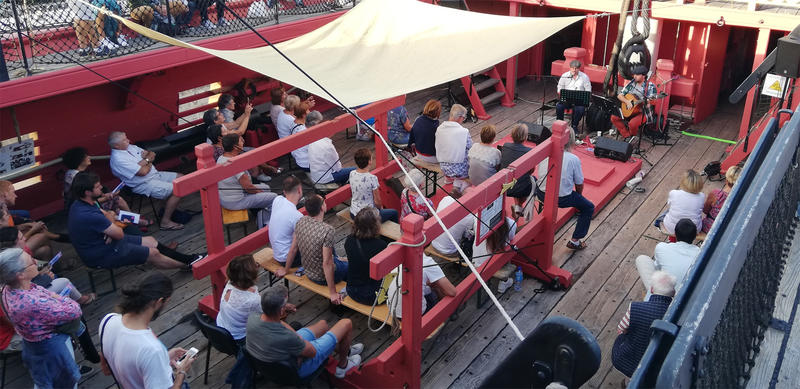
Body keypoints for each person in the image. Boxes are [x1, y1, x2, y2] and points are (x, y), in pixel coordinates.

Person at [0, 248, 100, 389]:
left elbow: (39, 291)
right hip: (50, 347)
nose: (36, 263)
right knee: (65, 382)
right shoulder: (30, 303)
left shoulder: (8, 290)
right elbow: (75, 311)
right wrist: (59, 297)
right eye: (31, 263)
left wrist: (54, 298)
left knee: (44, 380)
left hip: (33, 345)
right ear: (20, 275)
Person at [68, 171, 202, 270]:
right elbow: (118, 233)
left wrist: (109, 225)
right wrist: (111, 223)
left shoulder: (82, 203)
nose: (101, 188)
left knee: (151, 241)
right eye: (97, 187)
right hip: (101, 253)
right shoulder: (87, 214)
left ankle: (190, 259)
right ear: (87, 192)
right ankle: (189, 266)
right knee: (153, 253)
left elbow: (107, 215)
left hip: (105, 241)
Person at [99, 272, 196, 389]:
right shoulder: (152, 350)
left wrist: (164, 358)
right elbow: (147, 355)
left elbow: (106, 370)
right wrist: (182, 372)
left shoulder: (108, 320)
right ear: (159, 301)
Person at [246, 285, 362, 379]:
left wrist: (296, 338)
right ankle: (343, 366)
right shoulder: (287, 337)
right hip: (295, 370)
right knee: (346, 323)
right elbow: (311, 352)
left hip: (272, 361)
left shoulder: (253, 318)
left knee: (323, 325)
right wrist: (298, 343)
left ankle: (346, 350)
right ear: (281, 310)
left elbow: (280, 324)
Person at [108, 131, 185, 230]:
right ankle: (165, 222)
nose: (128, 140)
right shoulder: (118, 159)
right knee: (177, 190)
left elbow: (152, 153)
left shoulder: (131, 147)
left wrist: (146, 160)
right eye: (124, 140)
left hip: (155, 175)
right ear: (116, 146)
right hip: (143, 184)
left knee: (182, 178)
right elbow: (143, 171)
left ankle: (164, 209)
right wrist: (148, 160)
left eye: (126, 138)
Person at [0, 226, 96, 305]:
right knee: (64, 282)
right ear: (13, 244)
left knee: (45, 253)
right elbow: (27, 285)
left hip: (31, 288)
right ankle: (79, 300)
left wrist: (45, 266)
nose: (25, 238)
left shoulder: (17, 254)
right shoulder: (15, 262)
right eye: (21, 238)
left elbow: (35, 263)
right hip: (31, 295)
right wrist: (44, 276)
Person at [281, 195, 348, 304]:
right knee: (353, 268)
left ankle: (340, 260)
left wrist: (285, 269)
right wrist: (332, 293)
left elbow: (293, 249)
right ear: (322, 208)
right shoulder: (327, 230)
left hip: (308, 271)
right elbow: (327, 263)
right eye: (324, 202)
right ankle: (340, 305)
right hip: (321, 277)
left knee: (334, 255)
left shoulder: (301, 221)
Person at [536, 128, 595, 250]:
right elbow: (579, 183)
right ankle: (575, 240)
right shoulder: (573, 159)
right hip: (562, 198)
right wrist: (579, 197)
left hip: (541, 193)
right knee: (589, 207)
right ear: (572, 140)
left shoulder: (545, 152)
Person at [612, 271, 676, 377]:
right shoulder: (675, 316)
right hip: (654, 369)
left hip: (625, 361)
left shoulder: (635, 307)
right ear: (673, 293)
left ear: (651, 290)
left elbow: (621, 329)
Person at [635, 218, 699, 296]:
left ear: (675, 234)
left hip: (662, 294)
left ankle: (651, 294)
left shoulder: (662, 247)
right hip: (688, 297)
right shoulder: (700, 253)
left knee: (641, 259)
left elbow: (657, 269)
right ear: (695, 236)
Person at [217, 134, 278, 214]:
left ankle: (260, 211)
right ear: (235, 147)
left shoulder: (221, 158)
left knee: (266, 187)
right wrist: (261, 194)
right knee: (274, 197)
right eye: (240, 141)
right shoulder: (234, 164)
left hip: (226, 198)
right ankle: (268, 219)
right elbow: (249, 188)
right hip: (235, 201)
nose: (243, 142)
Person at [0, 181, 60, 260]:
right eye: (13, 192)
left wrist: (26, 225)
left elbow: (10, 229)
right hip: (7, 255)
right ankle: (59, 237)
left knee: (45, 250)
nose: (16, 196)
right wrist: (33, 230)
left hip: (11, 248)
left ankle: (47, 270)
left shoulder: (3, 208)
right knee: (41, 236)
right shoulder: (1, 212)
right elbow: (11, 242)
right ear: (5, 194)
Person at [62, 146, 132, 213]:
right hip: (85, 208)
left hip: (88, 203)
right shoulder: (76, 178)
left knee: (116, 207)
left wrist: (106, 195)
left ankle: (131, 220)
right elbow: (86, 200)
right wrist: (106, 198)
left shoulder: (74, 174)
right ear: (79, 160)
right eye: (86, 156)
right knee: (118, 200)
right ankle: (134, 220)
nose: (89, 157)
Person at [386, 255, 456, 319]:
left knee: (426, 283)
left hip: (392, 309)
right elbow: (452, 292)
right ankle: (448, 311)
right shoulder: (427, 262)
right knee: (436, 285)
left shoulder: (399, 256)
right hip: (414, 316)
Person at [343, 208, 387, 305]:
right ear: (374, 226)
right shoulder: (381, 245)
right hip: (371, 296)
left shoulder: (349, 240)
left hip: (351, 289)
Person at [217, 254, 261, 341]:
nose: (257, 266)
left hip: (222, 327)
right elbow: (267, 315)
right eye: (255, 265)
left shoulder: (230, 283)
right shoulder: (253, 300)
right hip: (240, 337)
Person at [348, 148, 398, 223]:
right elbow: (377, 201)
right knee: (394, 213)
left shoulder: (352, 173)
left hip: (354, 213)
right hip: (367, 217)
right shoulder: (372, 178)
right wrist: (380, 209)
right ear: (369, 162)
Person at [611, 65, 657, 139]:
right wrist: (627, 101)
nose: (634, 76)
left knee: (632, 124)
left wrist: (648, 102)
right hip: (630, 110)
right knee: (614, 118)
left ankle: (632, 136)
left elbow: (653, 101)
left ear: (644, 76)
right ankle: (627, 135)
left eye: (637, 75)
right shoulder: (632, 83)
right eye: (634, 74)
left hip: (643, 112)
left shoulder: (650, 86)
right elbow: (620, 95)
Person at [268, 176, 303, 266]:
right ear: (299, 190)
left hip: (277, 254)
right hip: (288, 259)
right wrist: (286, 269)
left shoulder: (277, 200)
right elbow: (294, 248)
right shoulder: (297, 216)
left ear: (284, 191)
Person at [435, 104, 472, 189]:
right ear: (460, 117)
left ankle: (453, 183)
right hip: (460, 171)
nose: (463, 120)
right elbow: (471, 149)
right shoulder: (464, 132)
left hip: (444, 167)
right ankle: (461, 188)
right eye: (464, 118)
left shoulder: (439, 128)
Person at [430, 187, 474, 256]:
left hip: (433, 242)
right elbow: (467, 236)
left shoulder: (446, 199)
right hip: (449, 251)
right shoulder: (469, 216)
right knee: (471, 238)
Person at [500, 123, 533, 213]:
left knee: (516, 178)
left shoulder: (506, 145)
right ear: (525, 137)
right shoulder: (529, 151)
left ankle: (518, 206)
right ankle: (519, 204)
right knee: (533, 181)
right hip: (520, 188)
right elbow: (531, 171)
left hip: (505, 186)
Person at [661, 169, 705, 235]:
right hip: (693, 231)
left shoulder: (674, 193)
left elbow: (670, 205)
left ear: (683, 182)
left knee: (667, 213)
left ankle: (672, 240)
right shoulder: (702, 196)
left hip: (672, 228)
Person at [702, 165, 742, 233]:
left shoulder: (716, 194)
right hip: (730, 231)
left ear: (726, 180)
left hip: (711, 228)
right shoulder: (742, 197)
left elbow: (705, 210)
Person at [555, 60, 591, 131]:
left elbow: (588, 90)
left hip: (579, 100)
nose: (574, 70)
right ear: (570, 68)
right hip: (567, 100)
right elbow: (559, 87)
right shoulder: (565, 76)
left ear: (579, 68)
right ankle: (560, 124)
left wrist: (585, 97)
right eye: (572, 68)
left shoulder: (585, 77)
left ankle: (574, 125)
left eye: (576, 68)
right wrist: (560, 93)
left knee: (580, 110)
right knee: (559, 106)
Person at [290, 103, 312, 171]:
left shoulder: (294, 122)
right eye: (308, 110)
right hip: (306, 163)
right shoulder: (303, 130)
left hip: (299, 159)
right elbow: (312, 148)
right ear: (303, 115)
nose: (310, 112)